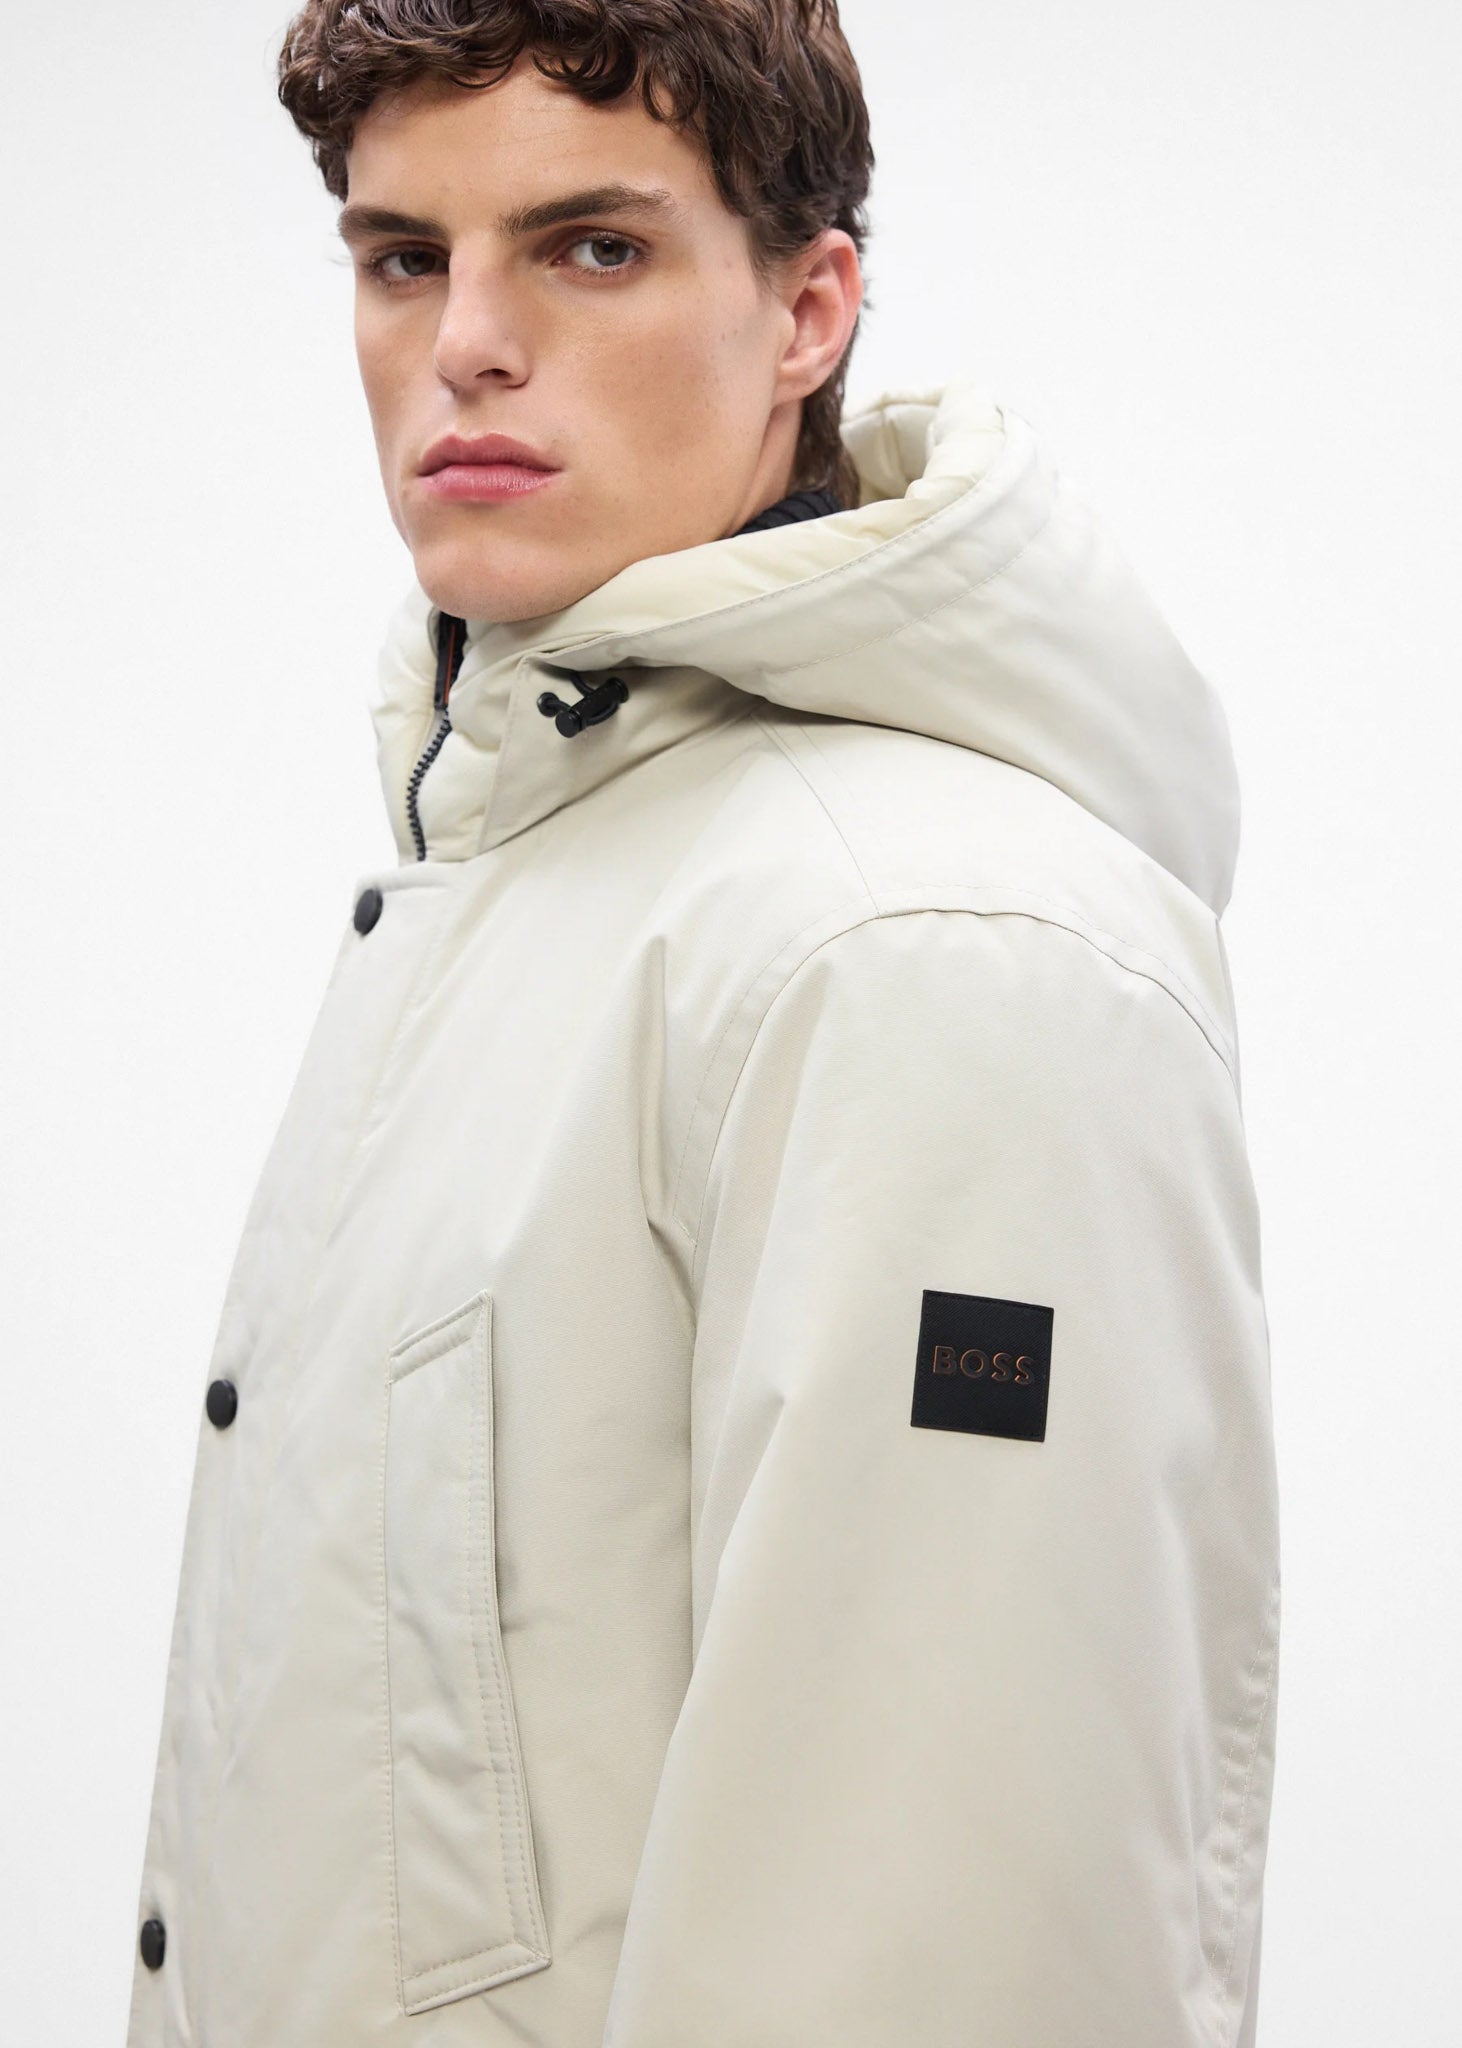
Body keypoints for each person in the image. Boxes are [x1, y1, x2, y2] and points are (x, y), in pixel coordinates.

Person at [124, 4, 1281, 2045]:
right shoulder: (523, 880)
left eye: (592, 248)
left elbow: (944, 1957)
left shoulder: (924, 943)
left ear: (808, 309)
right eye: (403, 257)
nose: (468, 343)